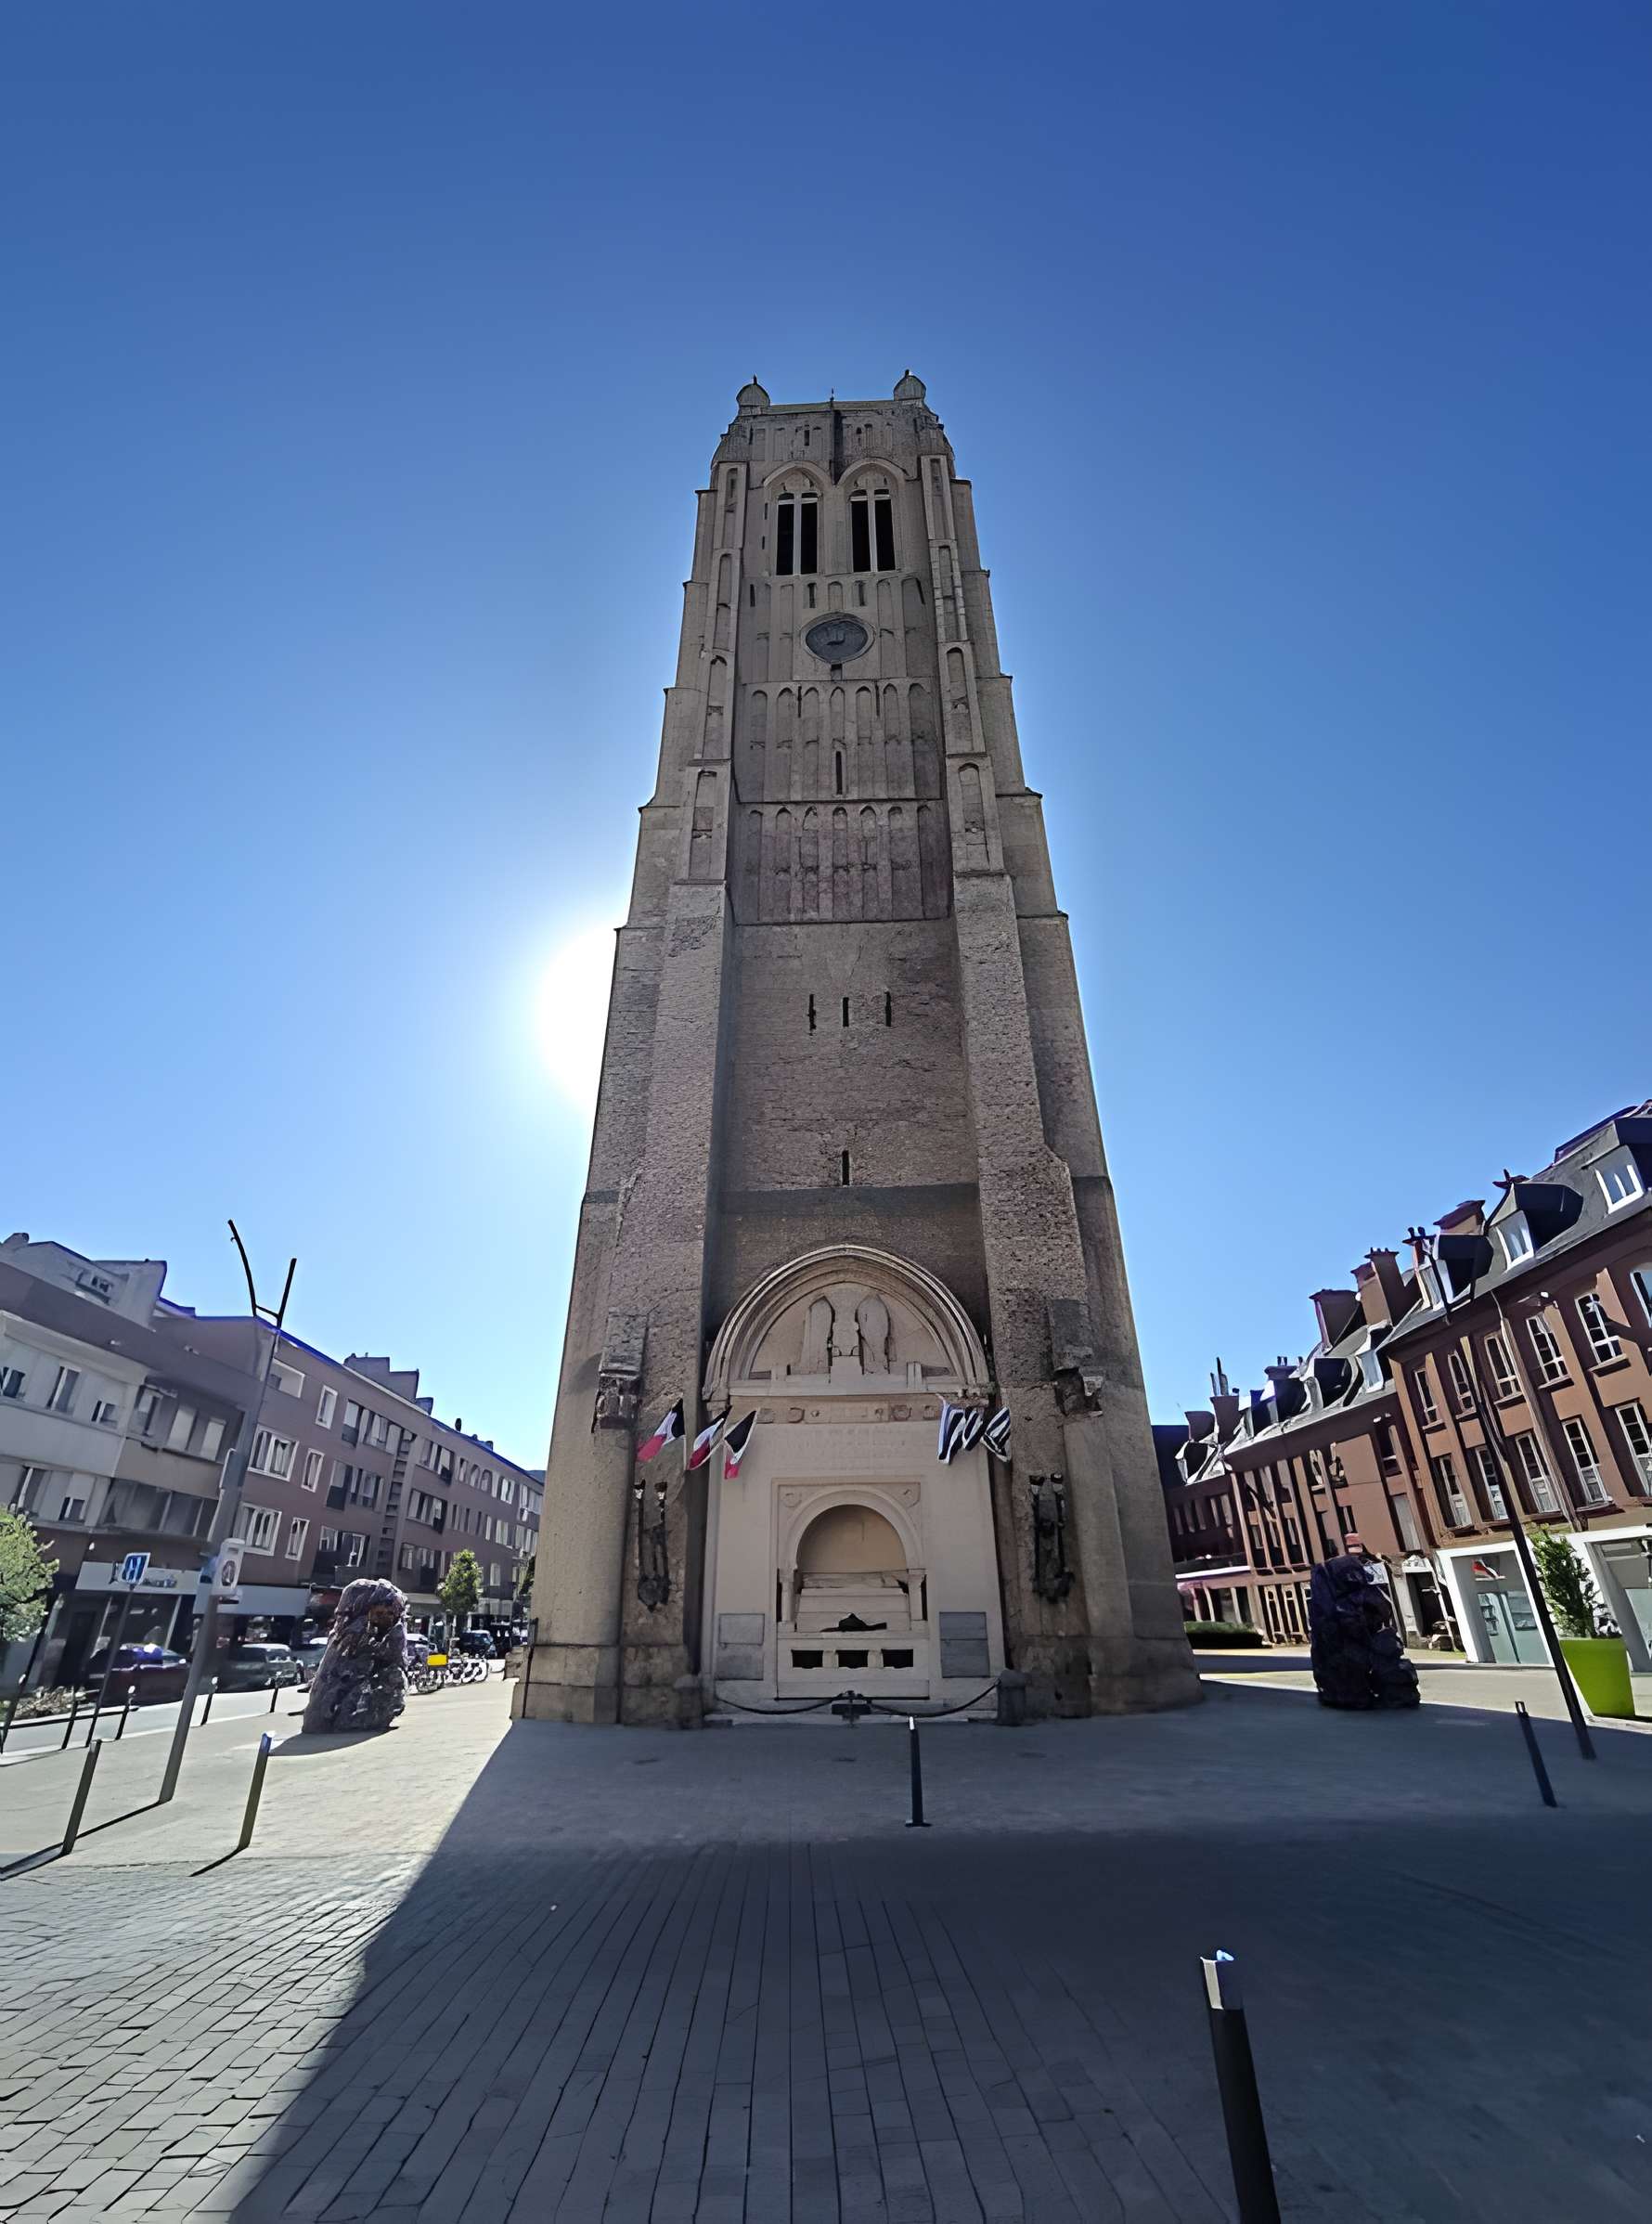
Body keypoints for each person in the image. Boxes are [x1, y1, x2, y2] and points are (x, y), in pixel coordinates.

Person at [1309, 1536, 1420, 1711]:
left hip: (1361, 1645)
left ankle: (1362, 1693)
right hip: (1353, 1647)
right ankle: (1357, 1693)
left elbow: (1381, 1613)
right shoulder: (1350, 1597)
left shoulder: (1351, 1595)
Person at [301, 1578, 409, 1733]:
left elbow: (394, 1661)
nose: (387, 1618)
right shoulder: (350, 1637)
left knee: (393, 1677)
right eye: (380, 1613)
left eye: (391, 1613)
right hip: (335, 1704)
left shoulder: (388, 1637)